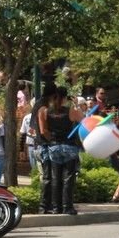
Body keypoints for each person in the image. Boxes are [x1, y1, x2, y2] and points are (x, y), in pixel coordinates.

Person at [38, 86, 82, 214]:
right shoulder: (71, 111)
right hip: (69, 146)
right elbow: (84, 120)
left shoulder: (45, 111)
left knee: (55, 177)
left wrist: (52, 139)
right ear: (64, 98)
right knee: (68, 177)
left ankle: (56, 207)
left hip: (54, 146)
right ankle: (67, 206)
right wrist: (76, 105)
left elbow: (43, 131)